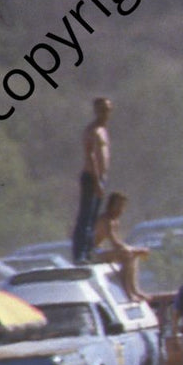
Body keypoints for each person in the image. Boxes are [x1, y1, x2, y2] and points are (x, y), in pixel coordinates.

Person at [72, 97, 113, 263]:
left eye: (107, 110)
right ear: (96, 111)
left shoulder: (104, 130)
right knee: (86, 217)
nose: (105, 113)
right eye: (102, 109)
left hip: (100, 177)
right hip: (91, 178)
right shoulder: (92, 130)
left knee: (93, 218)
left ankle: (89, 250)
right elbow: (90, 155)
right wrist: (96, 180)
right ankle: (80, 254)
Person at [91, 192, 151, 300]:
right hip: (92, 254)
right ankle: (128, 292)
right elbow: (116, 244)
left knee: (133, 256)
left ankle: (135, 289)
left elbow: (119, 243)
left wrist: (135, 251)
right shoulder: (105, 221)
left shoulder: (115, 221)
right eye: (118, 206)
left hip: (100, 251)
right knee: (126, 254)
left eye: (122, 207)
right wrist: (136, 250)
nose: (120, 210)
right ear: (110, 206)